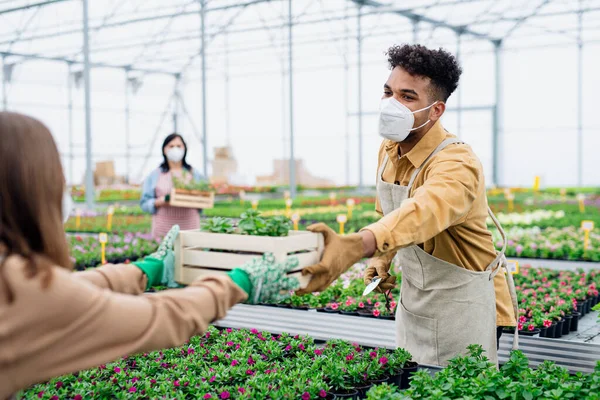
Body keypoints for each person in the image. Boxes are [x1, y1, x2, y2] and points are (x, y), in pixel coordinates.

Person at [0, 112, 298, 399]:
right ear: (30, 190)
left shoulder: (13, 279)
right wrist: (238, 282)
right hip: (164, 227)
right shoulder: (18, 289)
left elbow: (70, 289)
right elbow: (157, 318)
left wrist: (147, 269)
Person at [298, 44, 518, 367]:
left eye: (407, 97)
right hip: (415, 304)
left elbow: (424, 211)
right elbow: (391, 214)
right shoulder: (389, 150)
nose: (391, 104)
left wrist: (356, 245)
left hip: (464, 307)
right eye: (388, 92)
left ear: (436, 110)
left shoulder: (457, 162)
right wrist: (382, 256)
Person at [141, 133, 204, 239]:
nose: (175, 149)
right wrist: (158, 202)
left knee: (188, 253)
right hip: (163, 228)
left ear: (184, 149)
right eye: (171, 146)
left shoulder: (194, 173)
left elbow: (203, 198)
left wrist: (196, 200)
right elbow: (144, 202)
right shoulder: (155, 174)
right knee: (165, 253)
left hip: (190, 227)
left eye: (179, 146)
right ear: (164, 150)